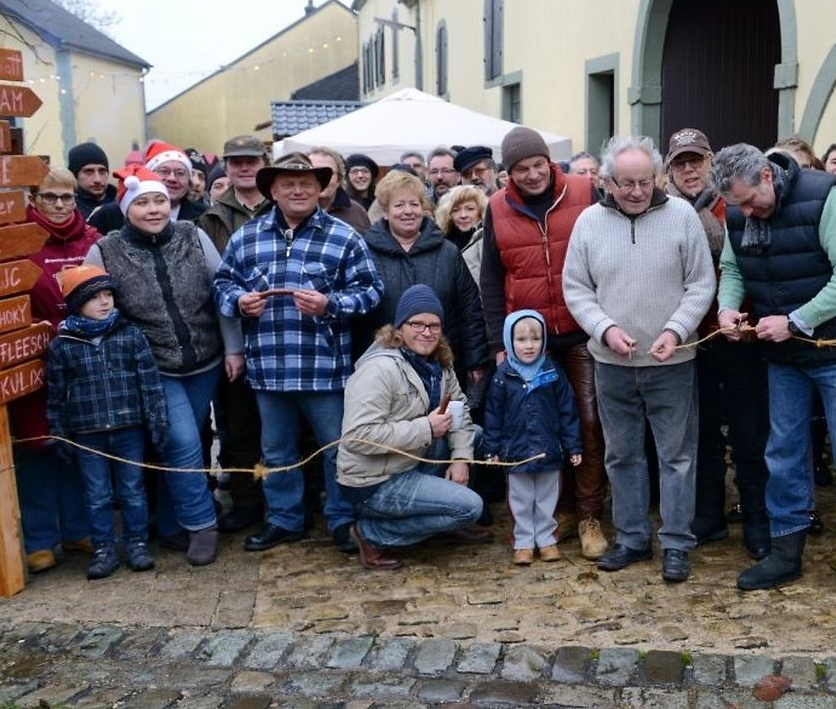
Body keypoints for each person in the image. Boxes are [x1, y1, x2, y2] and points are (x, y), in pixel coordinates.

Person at [712, 143, 836, 607]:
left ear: (767, 176)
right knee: (784, 453)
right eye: (737, 206)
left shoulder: (826, 196)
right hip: (783, 356)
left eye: (751, 201)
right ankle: (785, 551)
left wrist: (794, 321)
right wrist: (727, 307)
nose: (746, 213)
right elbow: (733, 268)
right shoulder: (738, 210)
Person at [563, 135, 715, 582]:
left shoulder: (682, 216)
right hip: (612, 363)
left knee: (677, 457)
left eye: (645, 182)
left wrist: (675, 329)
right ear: (607, 182)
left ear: (657, 178)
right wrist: (604, 328)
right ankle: (631, 538)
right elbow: (577, 288)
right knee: (621, 454)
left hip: (672, 362)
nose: (636, 191)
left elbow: (701, 283)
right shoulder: (589, 222)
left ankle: (676, 542)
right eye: (626, 183)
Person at [214, 153, 383, 554]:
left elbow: (373, 291)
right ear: (272, 190)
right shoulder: (247, 237)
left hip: (325, 368)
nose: (297, 190)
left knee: (337, 449)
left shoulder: (344, 236)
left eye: (306, 183)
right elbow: (221, 284)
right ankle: (284, 519)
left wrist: (331, 304)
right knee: (275, 453)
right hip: (269, 369)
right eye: (288, 184)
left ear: (319, 188)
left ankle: (343, 521)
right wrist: (239, 302)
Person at [83, 167, 241, 567]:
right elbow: (90, 305)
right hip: (153, 367)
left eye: (159, 201)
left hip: (205, 360)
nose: (153, 209)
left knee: (182, 443)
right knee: (183, 441)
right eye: (142, 203)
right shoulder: (105, 250)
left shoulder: (193, 235)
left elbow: (222, 291)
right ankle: (202, 524)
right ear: (126, 209)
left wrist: (234, 348)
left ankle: (172, 525)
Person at [480, 126, 609, 560]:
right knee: (537, 425)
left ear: (549, 162)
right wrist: (500, 342)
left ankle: (589, 514)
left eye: (538, 165)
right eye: (522, 169)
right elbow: (492, 279)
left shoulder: (584, 192)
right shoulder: (497, 207)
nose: (533, 174)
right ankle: (559, 511)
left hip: (581, 330)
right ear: (509, 173)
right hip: (529, 340)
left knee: (586, 423)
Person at [662, 127, 771, 560]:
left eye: (697, 160)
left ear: (711, 162)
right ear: (670, 170)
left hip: (739, 331)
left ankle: (756, 515)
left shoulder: (735, 203)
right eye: (681, 163)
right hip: (692, 336)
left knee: (748, 431)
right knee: (702, 432)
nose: (690, 170)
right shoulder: (665, 210)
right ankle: (709, 513)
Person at [337, 285, 485, 569]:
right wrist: (426, 428)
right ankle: (371, 533)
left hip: (408, 460)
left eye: (434, 325)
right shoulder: (379, 369)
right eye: (417, 324)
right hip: (375, 481)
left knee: (474, 436)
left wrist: (461, 459)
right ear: (400, 328)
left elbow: (461, 412)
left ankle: (445, 517)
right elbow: (358, 437)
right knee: (469, 508)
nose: (426, 332)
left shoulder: (440, 364)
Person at [45, 266, 167, 579]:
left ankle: (137, 543)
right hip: (88, 432)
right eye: (94, 298)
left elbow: (149, 382)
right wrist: (59, 432)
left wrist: (156, 420)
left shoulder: (130, 335)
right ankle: (104, 548)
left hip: (129, 429)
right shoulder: (63, 344)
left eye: (108, 294)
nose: (104, 302)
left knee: (133, 489)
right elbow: (56, 394)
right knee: (97, 494)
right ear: (77, 304)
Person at [11, 166, 97, 573]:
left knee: (77, 445)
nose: (60, 205)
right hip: (34, 361)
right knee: (36, 446)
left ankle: (78, 529)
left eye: (67, 197)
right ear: (34, 200)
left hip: (82, 360)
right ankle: (40, 538)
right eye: (50, 197)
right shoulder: (18, 241)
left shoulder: (92, 239)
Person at [197, 134, 273, 534]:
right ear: (226, 167)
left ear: (264, 164)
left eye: (251, 161)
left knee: (281, 429)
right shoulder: (210, 218)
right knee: (239, 427)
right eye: (236, 161)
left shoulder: (281, 205)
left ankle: (284, 499)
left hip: (281, 335)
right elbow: (210, 282)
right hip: (234, 335)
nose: (244, 168)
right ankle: (247, 501)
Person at [358, 171, 487, 396]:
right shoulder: (365, 253)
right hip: (384, 372)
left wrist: (476, 360)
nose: (408, 211)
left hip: (443, 366)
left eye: (414, 204)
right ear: (385, 212)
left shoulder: (448, 253)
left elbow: (470, 310)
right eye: (399, 205)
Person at [483, 310, 583, 564]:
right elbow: (493, 416)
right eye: (521, 339)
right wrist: (492, 449)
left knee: (548, 497)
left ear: (544, 341)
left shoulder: (553, 372)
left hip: (548, 449)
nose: (529, 345)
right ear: (509, 341)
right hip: (516, 451)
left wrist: (573, 446)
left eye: (535, 339)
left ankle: (547, 538)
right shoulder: (503, 376)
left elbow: (568, 411)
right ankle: (524, 541)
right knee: (521, 498)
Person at [90, 141, 207, 234]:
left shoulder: (204, 216)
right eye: (164, 171)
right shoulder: (109, 215)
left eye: (180, 173)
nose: (172, 178)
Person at [435, 184, 487, 286]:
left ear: (480, 211)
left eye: (470, 209)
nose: (463, 215)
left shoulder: (486, 241)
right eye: (456, 210)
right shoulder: (442, 243)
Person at [309, 148, 371, 233]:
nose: (321, 179)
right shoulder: (292, 211)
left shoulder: (357, 213)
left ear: (339, 180)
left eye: (328, 173)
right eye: (314, 172)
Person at [67, 141, 116, 222]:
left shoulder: (123, 205)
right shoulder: (66, 209)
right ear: (74, 175)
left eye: (102, 171)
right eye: (89, 172)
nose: (98, 179)